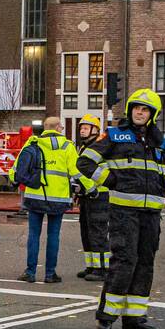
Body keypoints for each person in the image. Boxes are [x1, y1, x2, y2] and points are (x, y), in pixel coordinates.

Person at [77, 89, 165, 329]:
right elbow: (85, 162)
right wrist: (110, 180)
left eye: (144, 110)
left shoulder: (159, 142)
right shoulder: (115, 135)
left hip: (151, 214)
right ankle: (106, 317)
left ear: (152, 115)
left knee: (145, 263)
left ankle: (135, 317)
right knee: (124, 261)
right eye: (136, 108)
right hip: (124, 213)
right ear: (130, 111)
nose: (139, 113)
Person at [9, 116, 94, 284]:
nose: (62, 129)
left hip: (34, 196)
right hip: (58, 198)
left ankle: (30, 272)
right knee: (53, 235)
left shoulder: (33, 143)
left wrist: (13, 179)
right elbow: (77, 171)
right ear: (57, 128)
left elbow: (17, 166)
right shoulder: (67, 146)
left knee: (33, 234)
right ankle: (50, 274)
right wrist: (91, 188)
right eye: (61, 127)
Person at [75, 114, 110, 282]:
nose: (82, 130)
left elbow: (99, 172)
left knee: (98, 232)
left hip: (99, 196)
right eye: (81, 127)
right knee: (87, 232)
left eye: (86, 127)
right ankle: (91, 265)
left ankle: (102, 268)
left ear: (95, 130)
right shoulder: (84, 148)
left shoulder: (99, 147)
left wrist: (89, 187)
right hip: (86, 196)